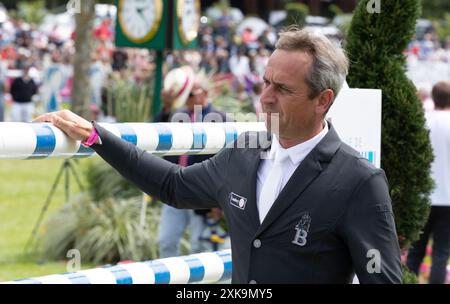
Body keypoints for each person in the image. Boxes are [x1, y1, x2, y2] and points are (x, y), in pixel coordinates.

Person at [34, 28, 402, 283]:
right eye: (266, 82)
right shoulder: (243, 154)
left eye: (283, 89)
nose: (266, 97)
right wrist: (96, 136)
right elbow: (172, 186)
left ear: (323, 100)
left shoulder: (359, 181)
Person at [155, 74, 225, 258]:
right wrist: (167, 106)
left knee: (199, 248)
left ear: (205, 93)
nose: (187, 98)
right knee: (166, 242)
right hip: (175, 185)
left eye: (191, 94)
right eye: (184, 94)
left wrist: (218, 200)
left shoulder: (220, 118)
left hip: (201, 193)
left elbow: (226, 163)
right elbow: (153, 132)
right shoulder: (179, 116)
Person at [406, 81, 450, 284]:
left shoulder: (423, 120)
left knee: (415, 252)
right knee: (441, 254)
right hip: (447, 197)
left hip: (423, 195)